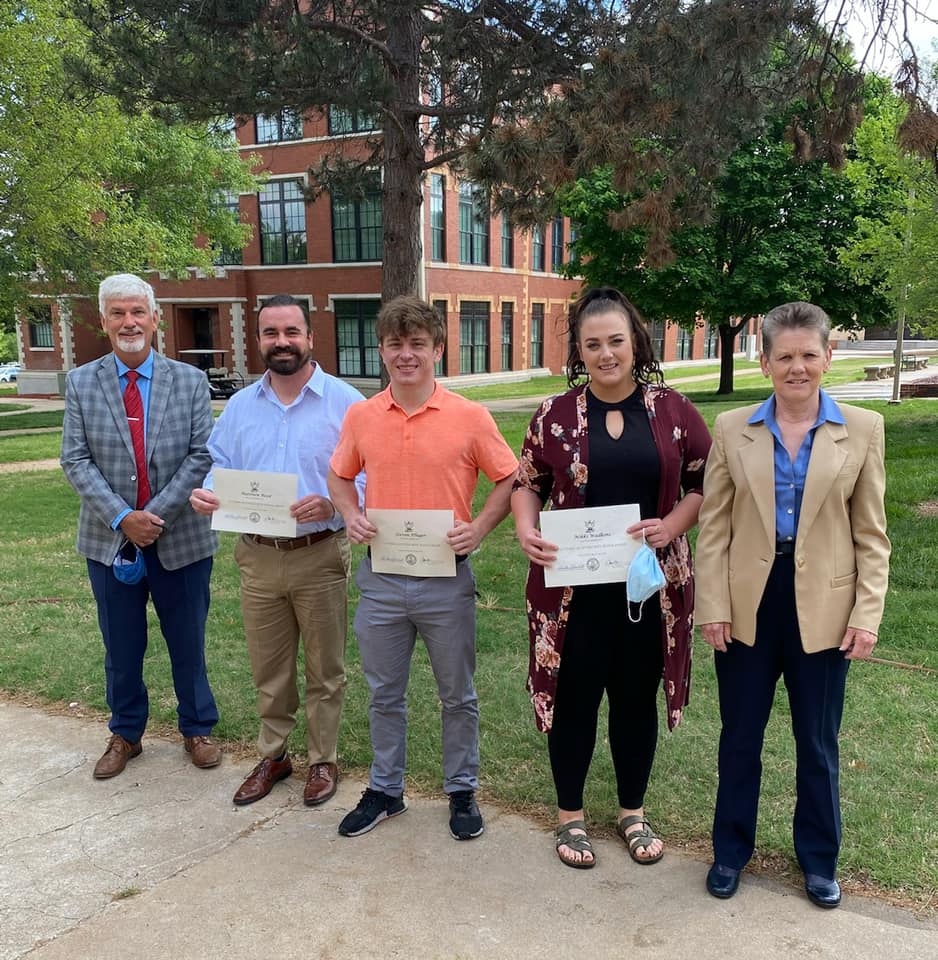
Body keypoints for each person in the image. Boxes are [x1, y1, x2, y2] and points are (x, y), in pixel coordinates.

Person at [695, 301, 890, 909]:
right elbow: (713, 528)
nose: (797, 367)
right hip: (750, 602)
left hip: (826, 611)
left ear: (828, 358)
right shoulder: (732, 429)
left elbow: (872, 536)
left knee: (817, 740)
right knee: (740, 737)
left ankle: (818, 860)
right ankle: (730, 851)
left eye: (809, 354)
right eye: (785, 356)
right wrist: (713, 606)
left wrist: (866, 615)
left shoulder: (861, 429)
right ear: (765, 362)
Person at [511, 287, 711, 869]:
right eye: (592, 343)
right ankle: (569, 818)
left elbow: (703, 481)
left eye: (615, 341)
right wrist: (527, 530)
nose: (605, 354)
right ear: (578, 348)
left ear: (635, 343)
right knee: (573, 701)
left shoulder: (673, 411)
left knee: (633, 702)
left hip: (648, 591)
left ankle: (631, 811)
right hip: (570, 593)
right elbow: (527, 482)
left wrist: (671, 524)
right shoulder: (553, 415)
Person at [327, 295, 518, 840]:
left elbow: (509, 477)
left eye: (417, 344)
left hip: (446, 578)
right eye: (395, 344)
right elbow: (340, 475)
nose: (405, 355)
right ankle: (386, 790)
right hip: (382, 579)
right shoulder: (362, 416)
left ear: (437, 349)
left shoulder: (469, 417)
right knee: (384, 693)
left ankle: (462, 789)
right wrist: (351, 512)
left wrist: (479, 528)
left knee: (457, 694)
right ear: (382, 352)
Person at [190, 295, 364, 807]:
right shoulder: (242, 405)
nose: (281, 342)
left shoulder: (346, 403)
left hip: (320, 552)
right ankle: (274, 755)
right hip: (257, 555)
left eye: (291, 331)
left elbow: (369, 475)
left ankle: (323, 759)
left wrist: (334, 506)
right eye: (271, 333)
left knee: (324, 668)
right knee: (270, 667)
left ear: (311, 337)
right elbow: (218, 461)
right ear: (259, 340)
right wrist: (207, 490)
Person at [61, 273, 222, 779]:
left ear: (155, 319)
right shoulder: (82, 382)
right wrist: (122, 518)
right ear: (104, 321)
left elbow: (201, 455)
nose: (128, 322)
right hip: (108, 542)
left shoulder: (191, 380)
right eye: (117, 313)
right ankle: (126, 733)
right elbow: (75, 459)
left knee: (187, 641)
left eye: (137, 312)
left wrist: (155, 517)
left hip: (182, 539)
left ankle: (197, 727)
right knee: (121, 646)